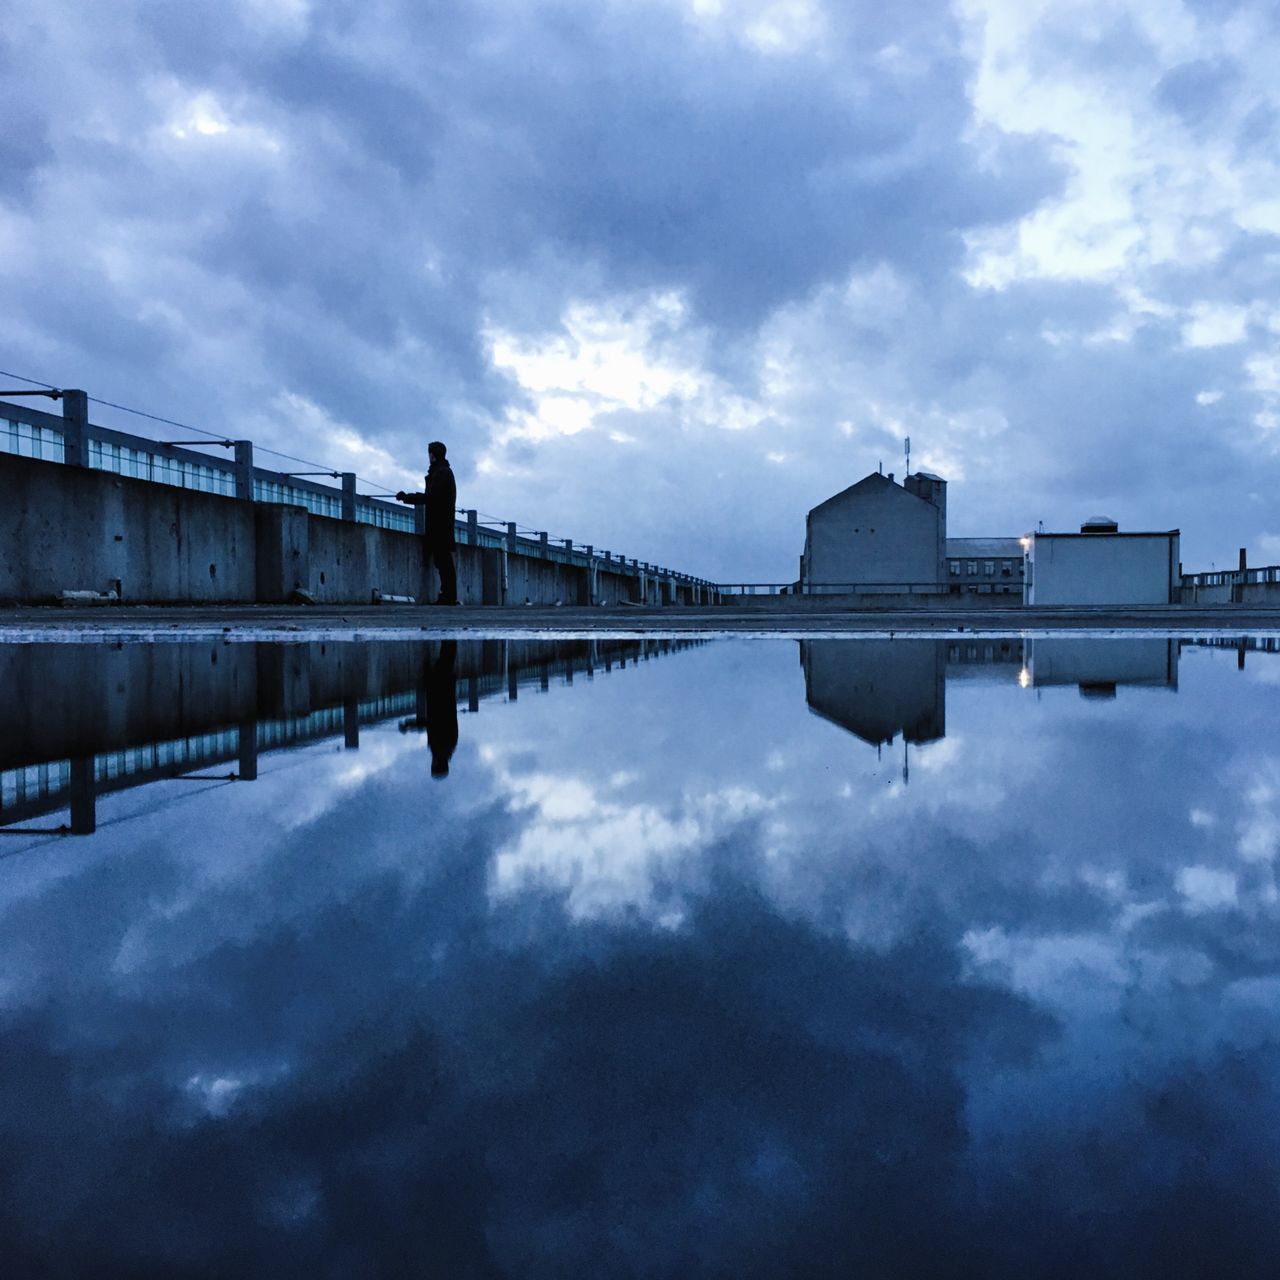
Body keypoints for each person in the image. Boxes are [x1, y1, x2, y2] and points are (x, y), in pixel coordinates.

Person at [397, 441, 458, 605]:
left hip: (439, 525)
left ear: (432, 455)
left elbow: (430, 497)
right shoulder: (444, 472)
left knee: (443, 561)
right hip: (443, 524)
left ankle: (448, 596)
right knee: (444, 562)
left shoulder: (441, 473)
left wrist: (407, 497)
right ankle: (448, 595)